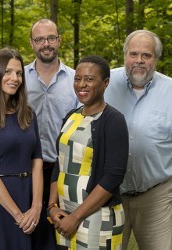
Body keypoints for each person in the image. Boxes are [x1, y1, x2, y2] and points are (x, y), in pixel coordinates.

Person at [48, 55, 129, 250]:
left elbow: (113, 177)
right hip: (64, 216)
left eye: (90, 79)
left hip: (96, 219)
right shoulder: (71, 116)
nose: (82, 84)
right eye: (78, 78)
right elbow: (60, 163)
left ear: (105, 83)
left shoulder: (113, 120)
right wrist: (52, 207)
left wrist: (76, 217)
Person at [0, 47, 47, 250]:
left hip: (30, 197)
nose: (15, 78)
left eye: (19, 73)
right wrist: (18, 216)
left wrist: (37, 207)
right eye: (8, 72)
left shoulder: (28, 114)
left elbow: (37, 161)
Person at [104, 30, 172, 250]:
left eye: (146, 55)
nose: (139, 61)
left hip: (156, 197)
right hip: (109, 195)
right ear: (124, 55)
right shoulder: (103, 83)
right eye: (133, 54)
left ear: (156, 58)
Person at [24, 18, 79, 247]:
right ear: (31, 43)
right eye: (40, 39)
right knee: (29, 232)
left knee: (61, 237)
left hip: (65, 171)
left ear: (59, 40)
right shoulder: (18, 78)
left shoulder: (76, 80)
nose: (46, 43)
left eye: (51, 38)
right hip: (26, 171)